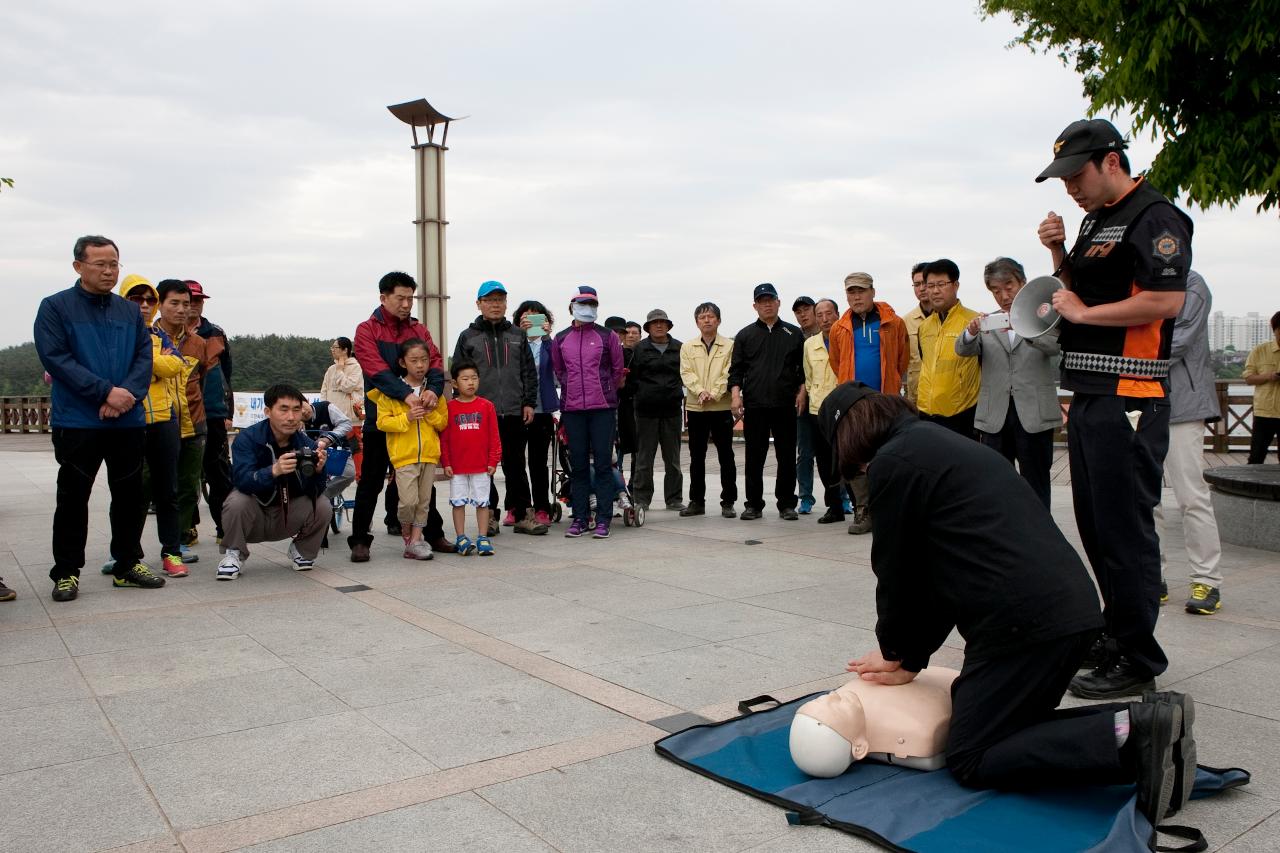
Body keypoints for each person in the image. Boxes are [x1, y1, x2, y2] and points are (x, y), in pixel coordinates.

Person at [821, 383, 1192, 830]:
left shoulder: (895, 463)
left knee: (972, 755)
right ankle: (1144, 724)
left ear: (851, 437)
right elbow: (936, 579)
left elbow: (900, 573)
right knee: (1015, 728)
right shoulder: (939, 443)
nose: (861, 471)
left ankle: (1136, 732)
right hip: (1066, 613)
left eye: (854, 464)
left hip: (1023, 625)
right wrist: (910, 656)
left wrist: (896, 652)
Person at [1035, 117, 1191, 699]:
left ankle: (1139, 655)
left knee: (1126, 528)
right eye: (1062, 179)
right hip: (1091, 393)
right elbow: (1080, 290)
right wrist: (1057, 252)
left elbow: (1166, 299)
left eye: (1076, 175)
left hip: (1132, 392)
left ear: (1111, 160)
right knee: (1097, 526)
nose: (1069, 188)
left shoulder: (1156, 215)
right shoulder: (1094, 219)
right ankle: (1116, 634)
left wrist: (1082, 315)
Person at [35, 235, 165, 601]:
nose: (109, 271)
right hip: (78, 421)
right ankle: (66, 571)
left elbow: (144, 358)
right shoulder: (55, 307)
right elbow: (56, 359)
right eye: (101, 264)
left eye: (114, 264)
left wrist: (125, 396)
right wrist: (104, 393)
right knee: (73, 496)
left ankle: (127, 563)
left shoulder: (128, 311)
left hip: (126, 420)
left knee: (130, 494)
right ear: (78, 266)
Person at [349, 271, 451, 561]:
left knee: (422, 482)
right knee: (371, 479)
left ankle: (434, 534)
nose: (407, 304)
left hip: (418, 422)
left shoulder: (419, 330)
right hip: (383, 417)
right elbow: (375, 369)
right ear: (383, 297)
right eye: (400, 298)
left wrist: (433, 389)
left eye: (410, 298)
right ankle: (359, 540)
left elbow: (435, 361)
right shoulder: (366, 329)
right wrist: (406, 395)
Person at [955, 257, 1061, 509]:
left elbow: (1058, 348)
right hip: (995, 416)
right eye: (995, 290)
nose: (1003, 295)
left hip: (1034, 415)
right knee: (997, 481)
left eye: (1009, 286)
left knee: (1036, 481)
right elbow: (962, 349)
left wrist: (1026, 329)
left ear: (1022, 283)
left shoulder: (1043, 316)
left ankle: (1039, 536)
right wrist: (971, 331)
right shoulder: (988, 322)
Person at [451, 281, 546, 536]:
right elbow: (458, 374)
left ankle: (524, 514)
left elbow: (529, 372)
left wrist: (529, 402)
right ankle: (489, 516)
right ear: (478, 303)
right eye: (489, 300)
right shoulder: (468, 336)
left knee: (516, 465)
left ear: (506, 303)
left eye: (500, 300)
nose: (495, 304)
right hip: (481, 413)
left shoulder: (517, 335)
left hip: (514, 411)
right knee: (485, 468)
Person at [1156, 270, 1225, 615]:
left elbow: (1179, 341)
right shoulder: (1138, 281)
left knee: (1191, 496)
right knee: (1146, 498)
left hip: (1183, 405)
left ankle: (1207, 580)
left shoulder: (1192, 283)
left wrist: (1128, 349)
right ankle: (1154, 576)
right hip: (1141, 401)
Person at [219, 384, 333, 579]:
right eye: (284, 409)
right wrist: (273, 470)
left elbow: (315, 490)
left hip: (286, 515)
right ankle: (234, 552)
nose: (291, 417)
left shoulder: (307, 445)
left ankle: (302, 551)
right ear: (267, 411)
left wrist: (318, 472)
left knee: (323, 505)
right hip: (255, 514)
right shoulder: (248, 439)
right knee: (236, 501)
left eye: (297, 410)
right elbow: (242, 481)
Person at [827, 272, 909, 534]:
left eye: (861, 291)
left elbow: (902, 358)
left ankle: (888, 509)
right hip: (854, 405)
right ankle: (863, 510)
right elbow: (836, 362)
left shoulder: (892, 322)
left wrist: (892, 383)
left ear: (873, 292)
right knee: (856, 455)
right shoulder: (839, 328)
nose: (857, 296)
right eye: (851, 292)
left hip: (885, 401)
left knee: (888, 455)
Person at [119, 274, 187, 578]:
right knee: (127, 494)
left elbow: (175, 365)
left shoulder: (161, 337)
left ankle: (171, 551)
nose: (144, 305)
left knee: (167, 491)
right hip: (125, 423)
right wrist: (154, 362)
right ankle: (123, 553)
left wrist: (144, 358)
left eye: (150, 300)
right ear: (123, 301)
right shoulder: (114, 336)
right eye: (136, 299)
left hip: (163, 420)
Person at [551, 285, 625, 538]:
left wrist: (603, 391)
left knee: (604, 464)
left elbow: (617, 371)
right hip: (573, 410)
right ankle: (580, 518)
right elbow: (560, 371)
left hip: (603, 409)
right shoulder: (561, 338)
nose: (588, 308)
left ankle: (604, 518)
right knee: (579, 466)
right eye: (583, 304)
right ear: (572, 306)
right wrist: (573, 393)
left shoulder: (608, 337)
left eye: (592, 304)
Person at [728, 283, 806, 521]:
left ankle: (786, 504)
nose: (767, 304)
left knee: (786, 457)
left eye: (771, 299)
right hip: (756, 405)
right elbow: (736, 370)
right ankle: (753, 504)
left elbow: (802, 369)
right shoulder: (744, 335)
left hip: (785, 404)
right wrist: (735, 395)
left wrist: (802, 391)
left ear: (778, 302)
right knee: (754, 457)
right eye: (762, 301)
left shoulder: (794, 334)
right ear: (755, 306)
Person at [371, 339, 451, 560]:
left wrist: (430, 412)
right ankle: (407, 531)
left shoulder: (433, 392)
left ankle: (416, 540)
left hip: (428, 455)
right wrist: (406, 417)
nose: (420, 365)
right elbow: (382, 423)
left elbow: (443, 423)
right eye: (414, 360)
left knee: (424, 501)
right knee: (408, 501)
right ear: (402, 362)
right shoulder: (392, 391)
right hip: (403, 456)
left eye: (424, 360)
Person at [154, 279, 210, 564]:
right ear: (159, 304)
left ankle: (178, 541)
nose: (181, 310)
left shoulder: (199, 343)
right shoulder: (146, 337)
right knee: (146, 486)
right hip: (157, 423)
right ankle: (125, 552)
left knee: (188, 486)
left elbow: (207, 381)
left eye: (186, 304)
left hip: (194, 422)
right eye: (174, 303)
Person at [186, 281, 234, 545]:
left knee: (219, 472)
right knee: (186, 473)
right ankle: (187, 527)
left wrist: (228, 410)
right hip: (182, 412)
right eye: (189, 299)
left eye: (198, 300)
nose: (194, 305)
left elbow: (226, 374)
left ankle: (224, 526)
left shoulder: (215, 332)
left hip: (214, 411)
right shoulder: (166, 332)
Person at [679, 301, 737, 518]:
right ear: (696, 322)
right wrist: (700, 391)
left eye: (711, 316)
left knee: (726, 456)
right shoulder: (687, 347)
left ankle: (728, 501)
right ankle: (696, 501)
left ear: (718, 320)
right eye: (702, 317)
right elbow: (686, 373)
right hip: (696, 407)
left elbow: (729, 372)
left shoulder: (730, 346)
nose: (706, 320)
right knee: (696, 457)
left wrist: (715, 391)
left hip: (720, 406)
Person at [441, 360, 502, 556]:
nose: (470, 383)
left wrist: (493, 461)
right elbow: (445, 439)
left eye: (474, 378)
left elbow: (494, 436)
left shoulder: (487, 406)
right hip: (457, 466)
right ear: (455, 383)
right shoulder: (449, 408)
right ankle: (461, 537)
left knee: (482, 502)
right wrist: (446, 462)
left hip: (482, 466)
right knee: (458, 502)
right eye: (465, 379)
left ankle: (482, 537)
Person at [916, 259, 980, 437]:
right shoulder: (924, 326)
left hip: (962, 415)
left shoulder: (973, 321)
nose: (935, 291)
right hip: (926, 413)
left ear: (956, 285)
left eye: (941, 284)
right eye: (930, 286)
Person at [630, 308, 685, 512]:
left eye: (663, 322)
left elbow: (685, 374)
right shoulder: (639, 349)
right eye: (655, 323)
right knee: (644, 458)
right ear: (649, 327)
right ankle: (642, 498)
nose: (659, 325)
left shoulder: (680, 348)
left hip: (671, 409)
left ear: (668, 326)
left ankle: (674, 498)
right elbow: (632, 378)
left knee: (673, 459)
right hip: (645, 411)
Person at [801, 298, 847, 525]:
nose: (825, 318)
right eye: (819, 314)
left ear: (837, 314)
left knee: (848, 458)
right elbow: (808, 377)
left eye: (829, 313)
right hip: (818, 409)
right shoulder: (810, 344)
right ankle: (834, 507)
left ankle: (859, 505)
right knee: (824, 461)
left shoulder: (847, 339)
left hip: (845, 408)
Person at [516, 300, 559, 526]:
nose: (531, 320)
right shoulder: (513, 342)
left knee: (538, 462)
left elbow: (560, 367)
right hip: (515, 409)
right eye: (526, 316)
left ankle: (543, 507)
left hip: (542, 410)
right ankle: (517, 506)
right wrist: (520, 336)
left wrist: (547, 338)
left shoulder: (549, 344)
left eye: (537, 316)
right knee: (513, 461)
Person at [792, 296, 821, 514]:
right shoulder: (794, 337)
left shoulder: (831, 333)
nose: (802, 314)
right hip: (802, 402)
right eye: (798, 311)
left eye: (806, 309)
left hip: (827, 401)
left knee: (834, 451)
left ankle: (841, 496)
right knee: (805, 452)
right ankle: (805, 497)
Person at [1243, 311, 1280, 464]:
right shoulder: (1260, 350)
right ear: (1275, 329)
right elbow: (1248, 378)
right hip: (1265, 412)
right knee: (1256, 456)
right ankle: (1250, 487)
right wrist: (1269, 376)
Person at [301, 397, 356, 499]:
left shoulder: (326, 407)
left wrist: (329, 438)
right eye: (298, 410)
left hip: (337, 451)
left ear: (307, 401)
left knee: (349, 473)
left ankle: (323, 497)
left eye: (303, 406)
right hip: (313, 455)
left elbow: (346, 424)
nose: (303, 411)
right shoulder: (296, 422)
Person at [901, 262, 932, 403]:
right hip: (916, 397)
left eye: (925, 283)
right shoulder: (905, 322)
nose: (922, 288)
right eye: (917, 284)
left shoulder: (950, 317)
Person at [320, 336, 363, 421]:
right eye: (332, 347)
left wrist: (339, 371)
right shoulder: (331, 369)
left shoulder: (356, 367)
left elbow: (348, 387)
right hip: (332, 417)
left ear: (345, 350)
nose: (332, 350)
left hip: (351, 419)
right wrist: (324, 410)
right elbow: (324, 392)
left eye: (335, 347)